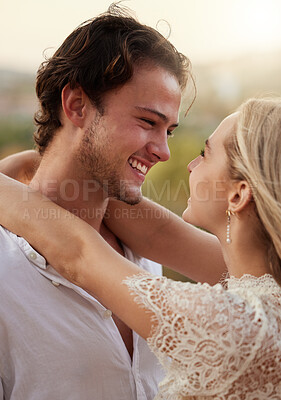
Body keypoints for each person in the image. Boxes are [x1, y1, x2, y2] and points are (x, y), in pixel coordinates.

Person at [0, 5, 225, 399]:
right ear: (77, 106)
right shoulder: (6, 270)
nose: (165, 152)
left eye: (169, 130)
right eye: (147, 122)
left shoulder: (144, 254)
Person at [0, 97, 280, 399]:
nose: (189, 164)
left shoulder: (241, 326)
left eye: (205, 154)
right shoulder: (266, 282)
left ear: (238, 196)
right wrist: (37, 167)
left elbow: (78, 253)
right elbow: (158, 235)